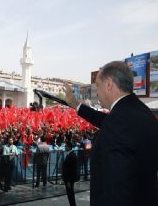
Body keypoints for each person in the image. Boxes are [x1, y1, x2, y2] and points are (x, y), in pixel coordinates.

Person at [65, 61, 158, 206]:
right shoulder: (141, 112)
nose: (97, 91)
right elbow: (106, 120)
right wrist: (76, 105)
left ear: (109, 84)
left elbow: (116, 188)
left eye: (98, 85)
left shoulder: (117, 123)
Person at [62, 142, 78, 206]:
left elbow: (71, 170)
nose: (65, 147)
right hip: (68, 179)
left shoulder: (72, 156)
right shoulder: (71, 155)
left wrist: (68, 180)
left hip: (69, 179)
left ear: (69, 147)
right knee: (70, 193)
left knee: (70, 193)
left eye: (66, 146)